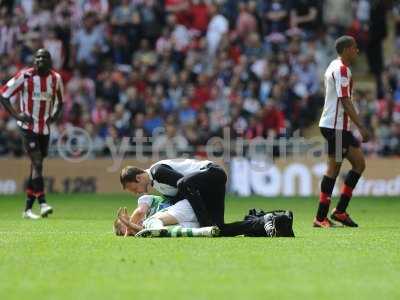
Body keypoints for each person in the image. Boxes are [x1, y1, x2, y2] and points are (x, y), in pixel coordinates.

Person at [119, 159, 295, 237]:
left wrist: (203, 221)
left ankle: (205, 223)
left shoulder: (157, 171)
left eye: (132, 188)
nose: (135, 192)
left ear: (138, 178)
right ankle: (268, 220)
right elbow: (187, 194)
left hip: (212, 173)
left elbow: (186, 185)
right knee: (220, 230)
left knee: (183, 185)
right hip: (210, 188)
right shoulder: (157, 185)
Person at [0, 49, 64, 219]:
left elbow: (60, 102)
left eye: (44, 57)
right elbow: (3, 94)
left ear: (50, 61)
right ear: (34, 60)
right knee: (36, 162)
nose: (40, 59)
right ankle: (43, 203)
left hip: (44, 128)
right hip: (27, 127)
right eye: (38, 57)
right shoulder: (25, 76)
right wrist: (16, 115)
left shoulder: (55, 79)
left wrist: (54, 117)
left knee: (36, 166)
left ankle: (27, 209)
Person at [315, 36, 370, 228]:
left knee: (359, 164)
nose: (357, 51)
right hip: (335, 127)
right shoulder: (341, 69)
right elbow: (345, 100)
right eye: (354, 48)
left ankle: (339, 211)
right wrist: (361, 126)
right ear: (346, 49)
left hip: (340, 128)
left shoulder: (334, 65)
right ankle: (321, 217)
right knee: (334, 168)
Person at [113, 194, 219, 238]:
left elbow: (140, 211)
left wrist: (129, 225)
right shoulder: (148, 226)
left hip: (189, 207)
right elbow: (147, 230)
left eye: (128, 224)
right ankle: (206, 231)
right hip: (199, 220)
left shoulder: (144, 200)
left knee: (152, 223)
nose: (131, 227)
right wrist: (130, 228)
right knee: (171, 231)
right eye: (131, 231)